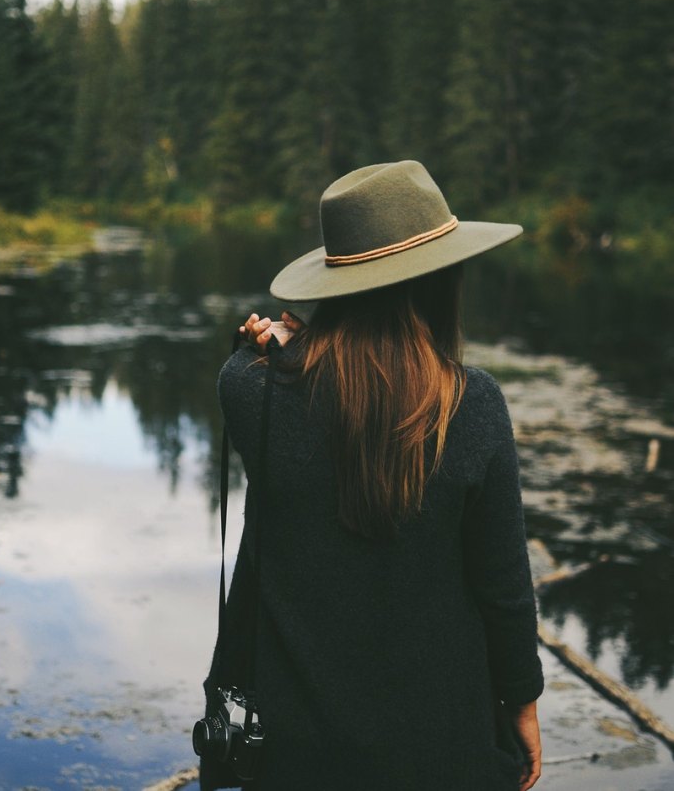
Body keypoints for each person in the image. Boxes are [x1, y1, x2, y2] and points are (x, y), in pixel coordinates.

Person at [200, 160, 544, 791]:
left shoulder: (251, 390)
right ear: (437, 281)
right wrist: (521, 704)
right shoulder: (473, 405)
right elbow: (504, 589)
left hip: (293, 753)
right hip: (441, 750)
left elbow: (308, 398)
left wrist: (290, 351)